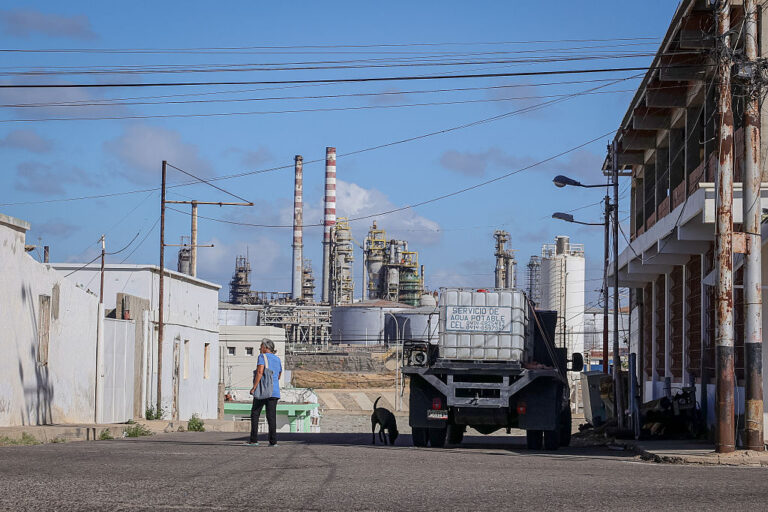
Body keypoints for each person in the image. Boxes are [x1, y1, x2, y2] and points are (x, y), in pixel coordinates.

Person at [248, 338, 282, 446]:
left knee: (255, 413)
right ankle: (273, 441)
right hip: (275, 391)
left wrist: (254, 387)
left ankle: (254, 440)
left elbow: (259, 372)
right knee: (271, 416)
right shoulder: (277, 359)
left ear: (265, 347)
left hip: (263, 390)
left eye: (261, 346)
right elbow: (279, 374)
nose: (260, 348)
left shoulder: (262, 357)